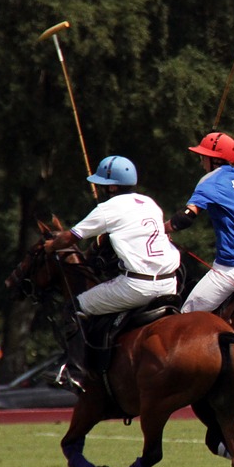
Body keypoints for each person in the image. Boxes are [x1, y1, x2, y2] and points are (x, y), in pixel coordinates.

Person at [44, 155, 181, 383]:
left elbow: (70, 237)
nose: (100, 188)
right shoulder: (150, 203)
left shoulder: (107, 208)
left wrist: (51, 246)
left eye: (102, 184)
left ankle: (75, 370)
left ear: (113, 186)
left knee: (74, 307)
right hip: (170, 283)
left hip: (138, 285)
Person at [166, 132, 234, 314]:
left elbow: (184, 218)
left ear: (214, 160)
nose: (201, 161)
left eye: (203, 157)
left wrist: (162, 229)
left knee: (186, 316)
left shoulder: (209, 183)